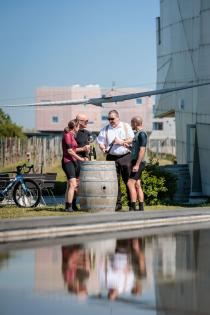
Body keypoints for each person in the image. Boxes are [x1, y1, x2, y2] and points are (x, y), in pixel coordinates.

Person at [97, 110, 134, 211]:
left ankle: (131, 204)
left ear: (118, 117)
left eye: (112, 119)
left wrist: (121, 142)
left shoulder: (126, 126)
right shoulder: (105, 129)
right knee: (114, 182)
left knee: (128, 181)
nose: (110, 121)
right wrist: (102, 148)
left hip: (125, 156)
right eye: (109, 119)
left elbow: (131, 139)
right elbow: (100, 141)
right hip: (111, 157)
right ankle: (118, 204)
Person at [62, 119, 87, 212]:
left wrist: (83, 149)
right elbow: (69, 151)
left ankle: (67, 206)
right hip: (67, 162)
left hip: (73, 162)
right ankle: (69, 207)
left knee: (70, 185)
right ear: (75, 127)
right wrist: (80, 158)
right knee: (73, 184)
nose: (79, 128)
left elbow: (74, 149)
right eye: (78, 126)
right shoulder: (67, 135)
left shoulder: (72, 136)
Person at [127, 116, 147, 211]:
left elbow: (142, 150)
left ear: (135, 123)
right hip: (136, 161)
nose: (131, 125)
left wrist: (137, 165)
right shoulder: (137, 134)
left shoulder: (142, 134)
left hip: (138, 162)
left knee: (130, 183)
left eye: (131, 123)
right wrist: (128, 147)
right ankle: (141, 207)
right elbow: (136, 149)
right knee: (137, 184)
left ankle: (132, 207)